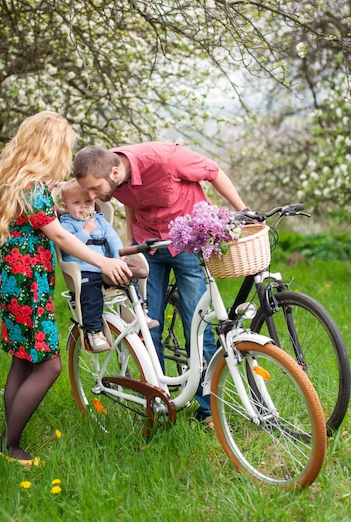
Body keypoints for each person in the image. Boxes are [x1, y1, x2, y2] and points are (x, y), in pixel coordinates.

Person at [0, 111, 131, 466]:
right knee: (49, 365)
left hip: (16, 279)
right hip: (29, 283)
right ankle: (9, 446)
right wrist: (103, 261)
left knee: (23, 360)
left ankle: (8, 440)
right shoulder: (32, 189)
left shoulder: (19, 181)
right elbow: (58, 234)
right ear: (50, 147)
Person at [73, 142, 247, 427]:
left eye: (94, 190)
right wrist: (130, 243)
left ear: (115, 172)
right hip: (150, 248)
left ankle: (208, 408)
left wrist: (244, 210)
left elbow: (213, 172)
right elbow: (131, 201)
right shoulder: (108, 170)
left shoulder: (164, 159)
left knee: (197, 324)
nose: (92, 197)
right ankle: (160, 402)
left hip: (187, 243)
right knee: (148, 325)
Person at [59, 179, 157, 352]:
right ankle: (94, 331)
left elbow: (112, 238)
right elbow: (71, 246)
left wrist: (119, 256)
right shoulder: (66, 224)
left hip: (106, 267)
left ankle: (139, 314)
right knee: (90, 296)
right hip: (84, 270)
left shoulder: (99, 220)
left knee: (129, 279)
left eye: (88, 202)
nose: (83, 207)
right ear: (65, 206)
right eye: (76, 203)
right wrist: (85, 231)